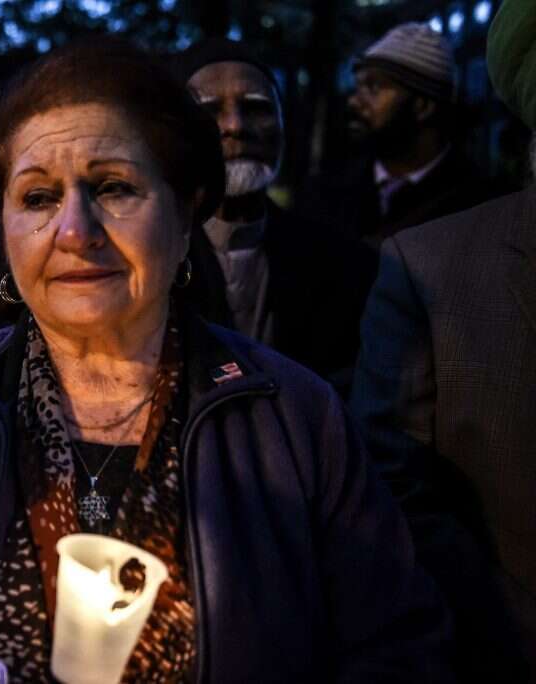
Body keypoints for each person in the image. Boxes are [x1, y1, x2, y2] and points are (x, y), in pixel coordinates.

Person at [0, 40, 451, 683]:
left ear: (186, 216)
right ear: (5, 230)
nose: (75, 231)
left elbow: (399, 648)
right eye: (39, 198)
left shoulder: (293, 417)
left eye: (113, 187)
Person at [351, 2, 536, 678]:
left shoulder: (467, 198)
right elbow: (395, 487)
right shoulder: (425, 260)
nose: (358, 100)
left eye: (378, 86)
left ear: (426, 106)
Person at [184, 39, 376, 392]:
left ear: (285, 125)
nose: (235, 126)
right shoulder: (148, 264)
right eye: (210, 112)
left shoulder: (345, 264)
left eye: (256, 108)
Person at [298, 23, 497, 246]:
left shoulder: (481, 206)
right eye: (358, 86)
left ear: (422, 107)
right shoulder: (326, 194)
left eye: (373, 87)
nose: (354, 101)